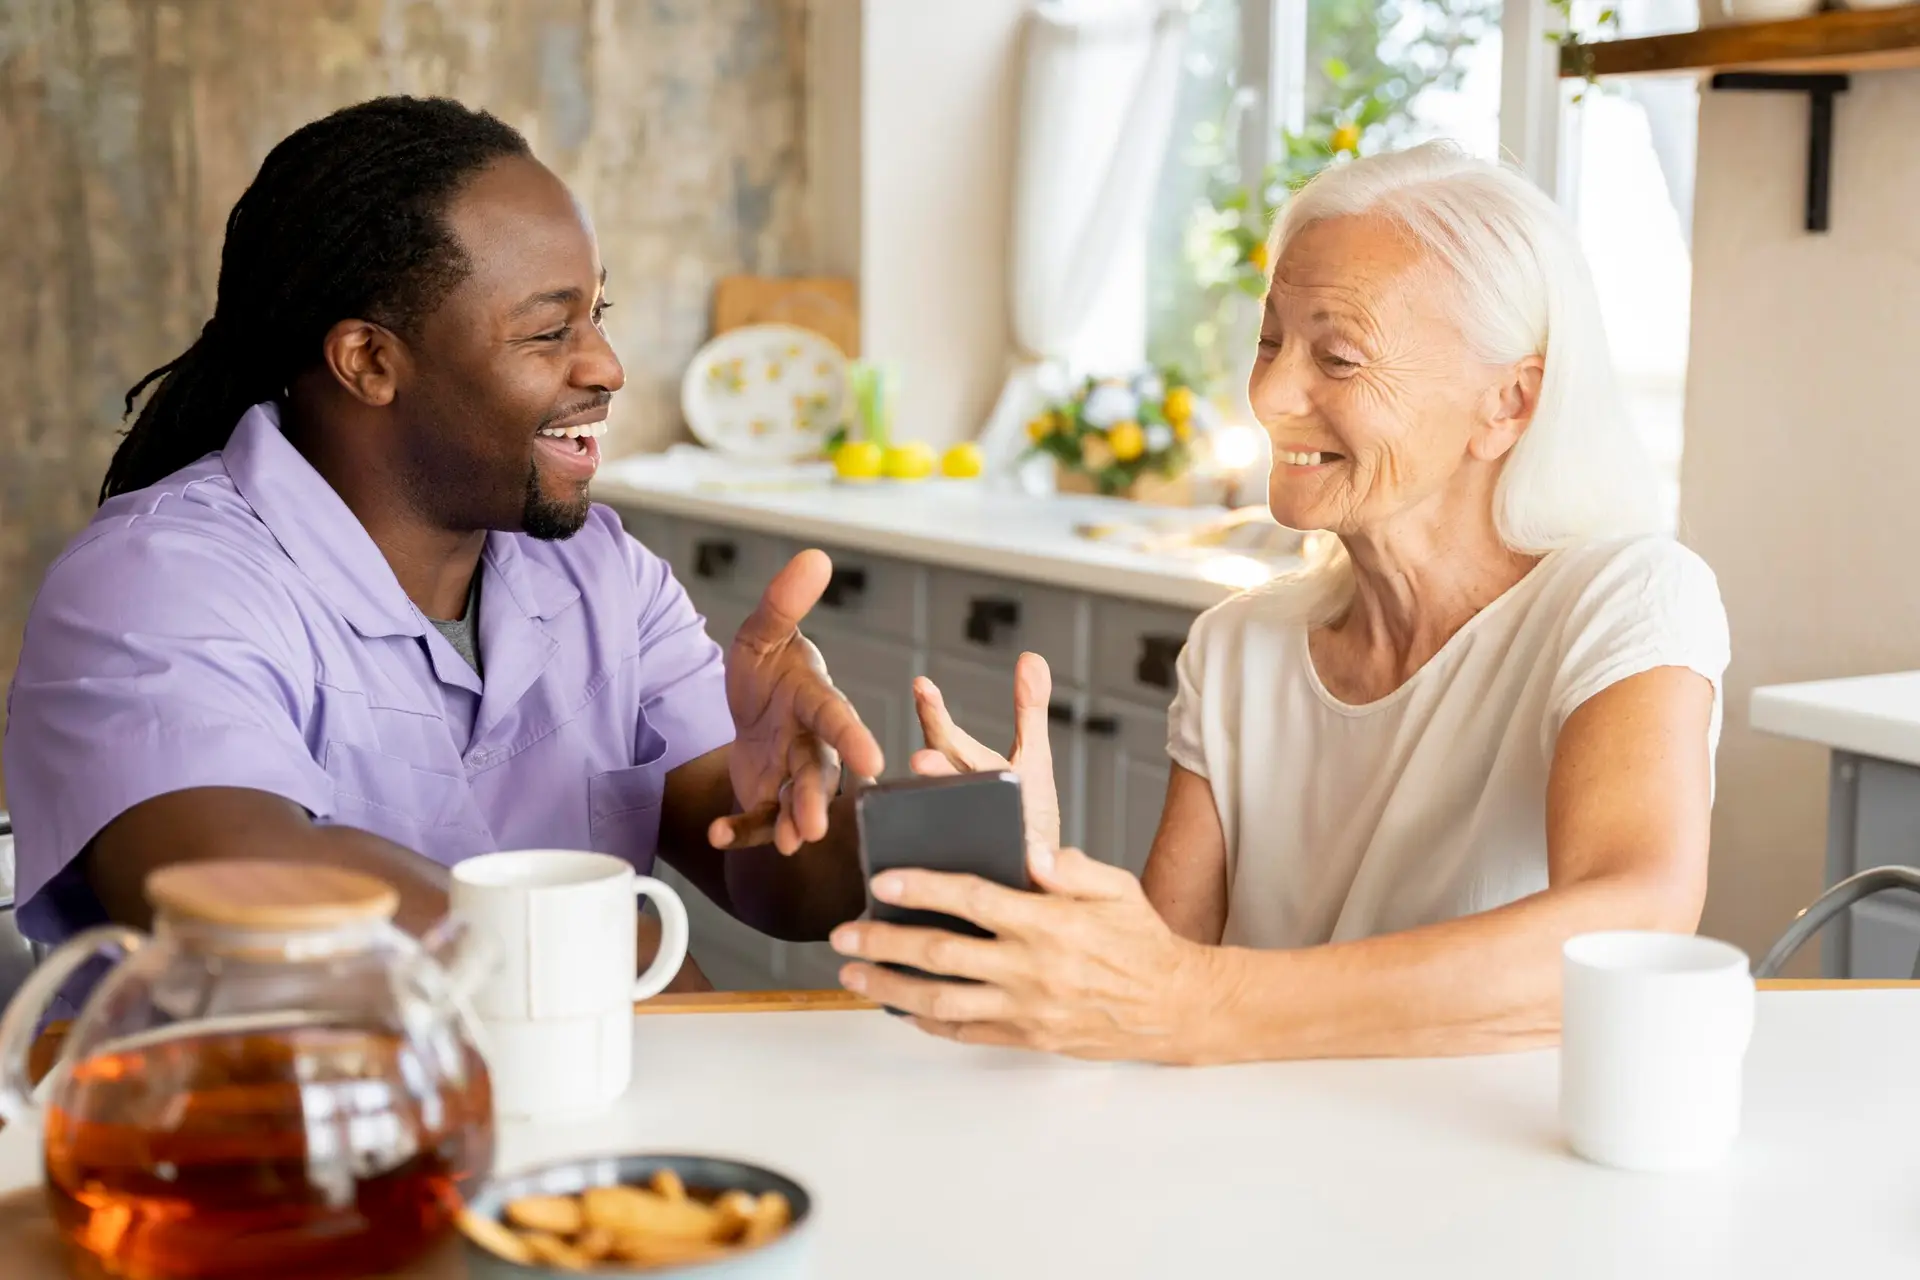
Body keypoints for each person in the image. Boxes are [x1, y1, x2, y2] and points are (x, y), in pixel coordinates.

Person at [827, 142, 1731, 1063]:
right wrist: (1052, 903)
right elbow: (1160, 993)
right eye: (1269, 341)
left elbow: (1636, 920)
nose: (1267, 394)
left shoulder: (1627, 599)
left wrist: (1198, 1001)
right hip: (1251, 1172)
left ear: (1507, 402)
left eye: (1337, 357)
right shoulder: (1237, 647)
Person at [2, 97, 882, 992]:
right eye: (550, 331)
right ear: (369, 362)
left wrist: (837, 813)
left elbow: (774, 885)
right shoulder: (158, 582)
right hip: (253, 1128)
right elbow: (224, 884)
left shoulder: (602, 576)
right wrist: (605, 956)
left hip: (573, 1120)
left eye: (597, 313)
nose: (607, 366)